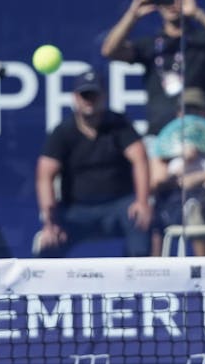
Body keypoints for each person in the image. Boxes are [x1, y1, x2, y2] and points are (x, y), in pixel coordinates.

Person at [100, 0, 205, 136]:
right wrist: (132, 15)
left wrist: (197, 13)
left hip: (198, 132)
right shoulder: (151, 44)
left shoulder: (203, 40)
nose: (171, 4)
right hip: (159, 134)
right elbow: (109, 50)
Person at [34, 69, 152, 257]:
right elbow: (44, 176)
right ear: (75, 98)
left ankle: (138, 284)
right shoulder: (63, 132)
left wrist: (142, 202)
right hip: (76, 209)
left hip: (118, 206)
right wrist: (49, 223)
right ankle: (46, 286)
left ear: (104, 96)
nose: (89, 100)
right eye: (84, 95)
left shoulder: (119, 125)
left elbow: (140, 159)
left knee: (141, 220)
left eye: (94, 95)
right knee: (49, 243)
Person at [149, 87, 205, 256]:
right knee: (192, 209)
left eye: (197, 109)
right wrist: (182, 159)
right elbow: (156, 182)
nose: (192, 115)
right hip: (177, 202)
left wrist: (202, 177)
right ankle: (202, 270)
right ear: (178, 113)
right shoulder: (164, 146)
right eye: (187, 110)